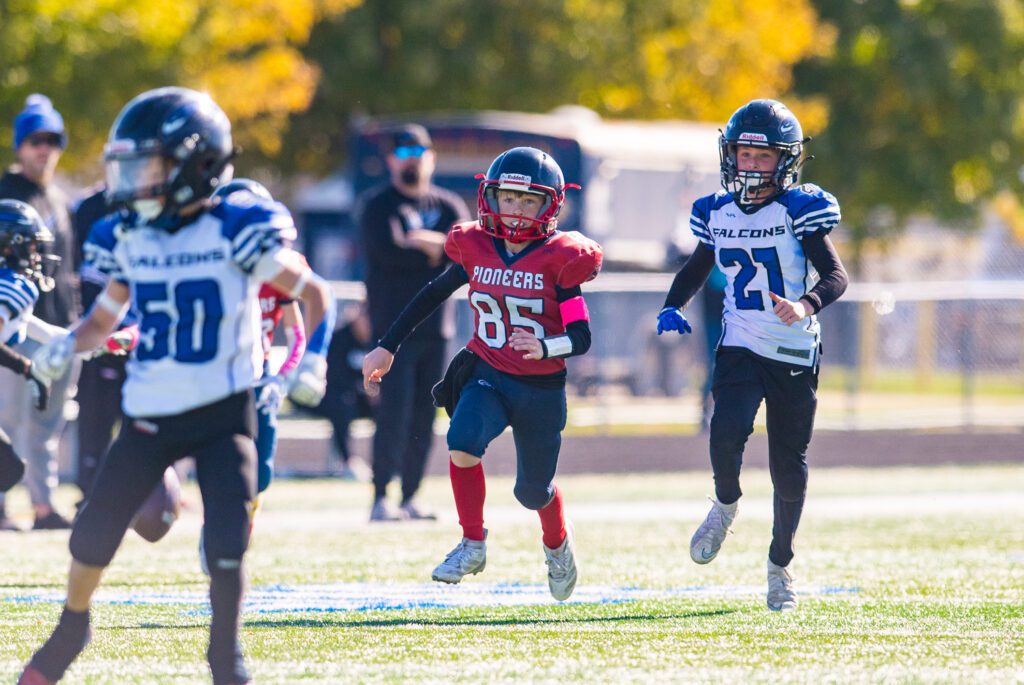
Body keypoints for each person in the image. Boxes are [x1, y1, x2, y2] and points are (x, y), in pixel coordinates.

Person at [18, 86, 332, 685]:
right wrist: (64, 345)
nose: (135, 179)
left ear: (195, 165)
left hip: (222, 409)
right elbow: (104, 319)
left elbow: (315, 295)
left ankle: (224, 654)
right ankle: (73, 624)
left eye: (150, 165)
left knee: (227, 541)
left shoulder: (235, 229)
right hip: (151, 408)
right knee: (92, 535)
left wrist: (308, 361)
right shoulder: (129, 234)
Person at [363, 146, 602, 601]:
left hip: (540, 387)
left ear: (550, 205)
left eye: (528, 200)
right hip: (488, 370)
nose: (516, 209)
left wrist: (545, 346)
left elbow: (582, 336)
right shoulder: (476, 247)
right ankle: (472, 542)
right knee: (462, 440)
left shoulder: (562, 257)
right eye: (508, 197)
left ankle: (557, 543)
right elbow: (430, 295)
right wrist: (387, 345)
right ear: (490, 196)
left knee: (533, 492)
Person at [656, 99, 849, 612]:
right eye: (745, 154)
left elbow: (836, 276)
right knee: (725, 430)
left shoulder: (799, 209)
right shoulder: (715, 212)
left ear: (785, 160)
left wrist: (805, 304)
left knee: (788, 466)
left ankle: (780, 564)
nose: (753, 165)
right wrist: (673, 304)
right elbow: (697, 267)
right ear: (730, 155)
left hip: (792, 348)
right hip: (740, 343)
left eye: (764, 157)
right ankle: (725, 504)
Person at [359, 123, 470, 521]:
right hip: (391, 331)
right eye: (403, 154)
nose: (412, 162)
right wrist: (438, 248)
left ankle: (410, 495)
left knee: (426, 414)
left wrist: (425, 242)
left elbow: (467, 251)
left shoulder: (448, 205)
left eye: (418, 154)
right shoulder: (378, 205)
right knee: (392, 412)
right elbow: (390, 254)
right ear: (391, 160)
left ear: (431, 158)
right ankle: (381, 496)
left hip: (436, 329)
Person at [0, 94, 80, 530]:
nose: (44, 149)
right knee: (7, 419)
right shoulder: (5, 195)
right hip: (15, 327)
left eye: (52, 140)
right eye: (36, 140)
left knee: (49, 423)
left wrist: (78, 324)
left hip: (59, 326)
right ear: (20, 145)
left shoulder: (60, 199)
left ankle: (44, 505)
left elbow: (67, 270)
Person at [72, 185, 132, 503]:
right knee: (95, 421)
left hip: (142, 339)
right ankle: (90, 491)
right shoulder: (90, 213)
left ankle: (145, 494)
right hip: (100, 335)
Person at [294, 303, 374, 480]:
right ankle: (348, 462)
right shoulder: (338, 339)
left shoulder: (376, 343)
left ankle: (384, 461)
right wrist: (365, 390)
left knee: (388, 408)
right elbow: (336, 379)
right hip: (323, 395)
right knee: (342, 405)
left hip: (356, 398)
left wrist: (373, 392)